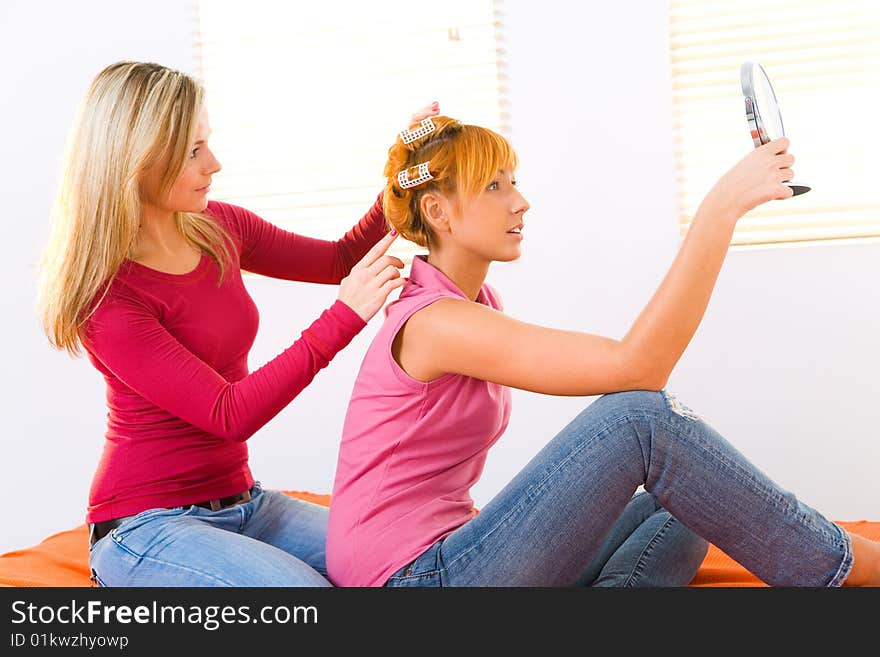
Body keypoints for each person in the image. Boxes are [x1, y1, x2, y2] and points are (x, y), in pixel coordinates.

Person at [325, 115, 880, 587]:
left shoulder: (470, 303)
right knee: (640, 419)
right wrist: (720, 209)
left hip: (451, 553)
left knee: (692, 494)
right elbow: (638, 370)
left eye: (512, 181)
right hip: (417, 581)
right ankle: (841, 563)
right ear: (438, 213)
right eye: (494, 186)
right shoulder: (436, 322)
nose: (520, 201)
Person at [36, 60, 436, 586]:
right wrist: (345, 316)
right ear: (137, 161)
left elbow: (339, 259)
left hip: (247, 503)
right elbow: (229, 414)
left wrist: (407, 174)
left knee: (405, 556)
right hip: (147, 527)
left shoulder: (219, 226)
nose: (215, 164)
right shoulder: (108, 298)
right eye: (194, 151)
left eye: (208, 143)